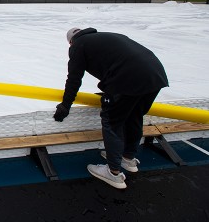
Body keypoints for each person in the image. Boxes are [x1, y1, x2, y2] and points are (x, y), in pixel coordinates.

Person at [53, 27, 168, 189]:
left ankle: (113, 172)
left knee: (111, 121)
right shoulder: (107, 37)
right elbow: (120, 60)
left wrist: (65, 105)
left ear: (71, 42)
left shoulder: (79, 46)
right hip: (155, 75)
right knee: (134, 115)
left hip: (127, 79)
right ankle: (128, 158)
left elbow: (74, 78)